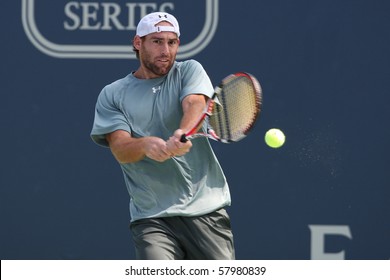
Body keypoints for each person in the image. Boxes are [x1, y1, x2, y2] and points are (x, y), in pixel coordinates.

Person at [90, 12, 235, 260]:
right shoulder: (112, 94)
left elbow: (195, 104)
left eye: (172, 42)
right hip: (152, 218)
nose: (166, 50)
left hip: (207, 211)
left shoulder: (190, 70)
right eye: (157, 41)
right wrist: (147, 145)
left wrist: (183, 132)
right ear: (138, 43)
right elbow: (121, 148)